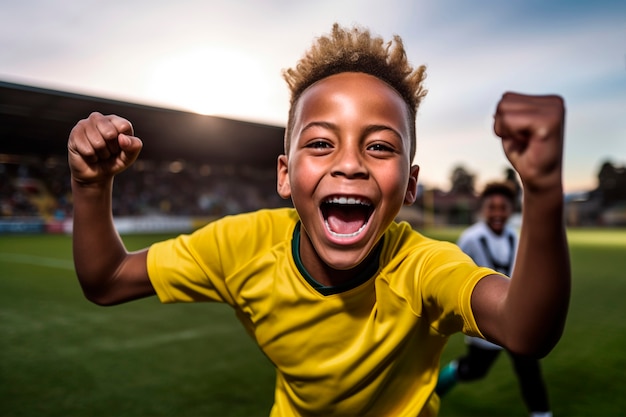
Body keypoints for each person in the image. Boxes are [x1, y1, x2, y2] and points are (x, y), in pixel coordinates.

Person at [67, 23, 570, 417]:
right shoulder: (239, 247)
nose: (349, 164)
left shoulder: (423, 267)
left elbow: (526, 331)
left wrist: (543, 189)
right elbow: (107, 280)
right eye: (321, 143)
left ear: (411, 184)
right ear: (285, 175)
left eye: (378, 146)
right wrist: (91, 185)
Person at [436, 181, 552, 417]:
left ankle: (541, 413)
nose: (498, 213)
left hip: (515, 317)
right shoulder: (470, 238)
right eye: (492, 207)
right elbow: (457, 275)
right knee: (475, 370)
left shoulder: (515, 236)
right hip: (485, 319)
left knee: (529, 368)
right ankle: (442, 381)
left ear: (511, 210)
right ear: (482, 209)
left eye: (503, 208)